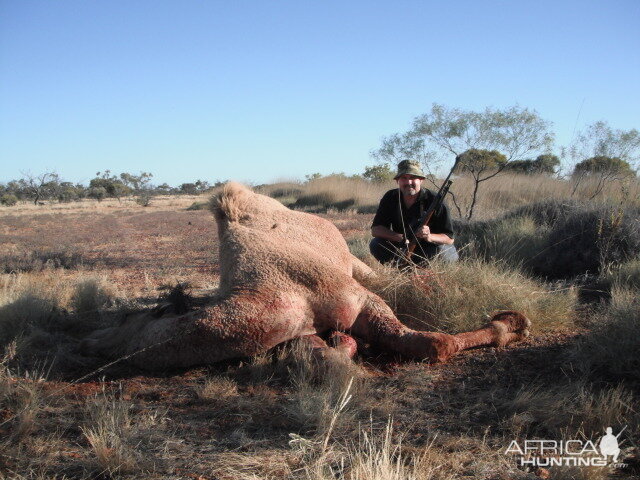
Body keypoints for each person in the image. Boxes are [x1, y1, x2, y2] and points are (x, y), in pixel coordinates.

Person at [370, 160, 458, 265]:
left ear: (421, 180)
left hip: (428, 249)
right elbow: (376, 230)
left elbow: (449, 239)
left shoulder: (435, 200)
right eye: (404, 178)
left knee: (446, 253)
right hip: (401, 247)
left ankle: (424, 271)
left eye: (412, 178)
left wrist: (429, 236)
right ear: (397, 181)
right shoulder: (390, 197)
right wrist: (400, 237)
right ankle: (399, 268)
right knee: (376, 244)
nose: (408, 182)